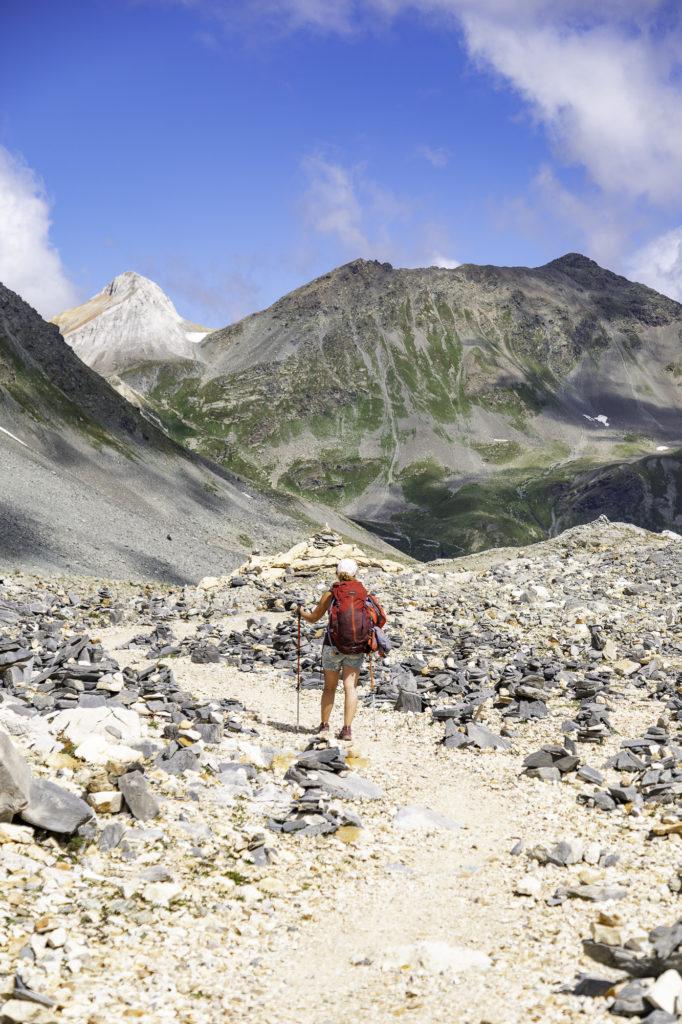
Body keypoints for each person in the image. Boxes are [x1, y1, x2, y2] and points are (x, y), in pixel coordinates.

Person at [297, 557, 366, 741]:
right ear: (355, 574)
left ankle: (324, 726)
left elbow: (313, 617)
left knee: (329, 688)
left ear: (337, 572)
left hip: (332, 645)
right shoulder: (362, 593)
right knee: (350, 687)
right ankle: (347, 729)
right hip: (356, 646)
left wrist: (300, 612)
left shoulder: (332, 593)